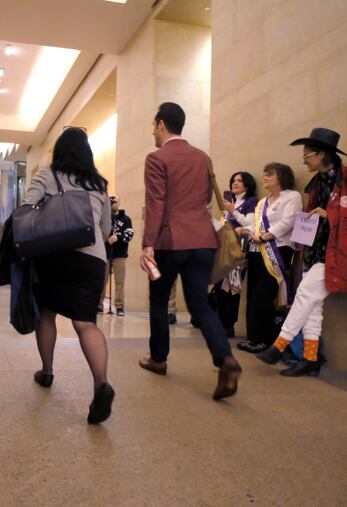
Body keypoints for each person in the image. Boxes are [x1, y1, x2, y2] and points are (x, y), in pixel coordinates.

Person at [257, 128, 347, 376]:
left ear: (322, 154)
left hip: (340, 254)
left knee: (305, 295)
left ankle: (279, 345)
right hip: (315, 252)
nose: (304, 159)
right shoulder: (316, 185)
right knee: (313, 305)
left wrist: (330, 215)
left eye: (307, 155)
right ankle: (310, 358)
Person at [139, 102, 242, 401]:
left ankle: (158, 359)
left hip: (170, 241)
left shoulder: (156, 158)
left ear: (161, 125)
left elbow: (156, 203)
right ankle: (225, 359)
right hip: (203, 241)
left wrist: (148, 244)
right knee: (200, 304)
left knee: (159, 299)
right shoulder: (202, 157)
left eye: (153, 126)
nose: (152, 132)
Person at [25, 127, 114, 424]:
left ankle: (47, 372)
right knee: (85, 323)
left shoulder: (48, 174)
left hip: (56, 255)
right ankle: (101, 382)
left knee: (47, 314)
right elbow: (105, 229)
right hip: (93, 258)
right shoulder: (99, 183)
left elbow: (27, 207)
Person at [236, 163, 301, 353]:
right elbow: (256, 224)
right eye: (264, 173)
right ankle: (253, 337)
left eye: (269, 174)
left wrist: (265, 236)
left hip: (278, 250)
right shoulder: (262, 202)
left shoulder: (292, 196)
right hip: (257, 251)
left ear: (281, 176)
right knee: (252, 296)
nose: (264, 177)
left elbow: (289, 221)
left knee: (264, 295)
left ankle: (263, 339)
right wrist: (247, 230)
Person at [215, 171, 259, 337]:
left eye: (239, 180)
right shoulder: (231, 201)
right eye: (233, 180)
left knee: (232, 288)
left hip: (238, 250)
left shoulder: (251, 201)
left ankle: (228, 325)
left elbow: (250, 224)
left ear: (247, 184)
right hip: (224, 249)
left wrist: (233, 211)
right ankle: (220, 322)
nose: (235, 183)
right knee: (220, 287)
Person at [100, 195, 134, 316]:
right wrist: (106, 240)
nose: (113, 203)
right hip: (105, 254)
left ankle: (119, 306)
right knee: (102, 280)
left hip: (120, 255)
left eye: (115, 201)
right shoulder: (103, 218)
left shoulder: (126, 219)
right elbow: (98, 234)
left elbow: (129, 235)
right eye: (111, 201)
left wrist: (118, 238)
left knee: (120, 282)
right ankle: (99, 305)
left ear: (119, 202)